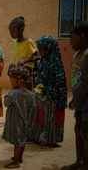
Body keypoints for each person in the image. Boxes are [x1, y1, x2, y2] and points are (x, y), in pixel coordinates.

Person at [27, 35, 67, 148]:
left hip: (52, 97)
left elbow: (59, 82)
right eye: (39, 49)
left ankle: (50, 140)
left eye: (42, 50)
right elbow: (41, 76)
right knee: (40, 116)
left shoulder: (56, 63)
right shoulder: (44, 61)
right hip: (41, 95)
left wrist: (46, 88)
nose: (40, 52)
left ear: (49, 49)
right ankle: (38, 137)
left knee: (50, 119)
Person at [62, 22, 88, 170]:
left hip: (87, 101)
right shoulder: (75, 57)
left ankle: (86, 164)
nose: (70, 41)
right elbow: (77, 80)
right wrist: (73, 98)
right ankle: (78, 161)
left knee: (85, 132)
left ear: (82, 37)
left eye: (72, 37)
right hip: (79, 101)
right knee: (78, 130)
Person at [2, 66, 36, 169]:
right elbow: (33, 105)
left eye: (11, 80)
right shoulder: (29, 94)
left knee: (17, 142)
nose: (11, 82)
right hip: (24, 120)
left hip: (15, 121)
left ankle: (16, 162)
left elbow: (6, 103)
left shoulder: (14, 93)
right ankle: (20, 158)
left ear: (17, 80)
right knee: (22, 139)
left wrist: (10, 92)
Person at [8, 16, 40, 90]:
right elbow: (17, 56)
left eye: (13, 31)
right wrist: (12, 64)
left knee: (25, 94)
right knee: (15, 94)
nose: (11, 34)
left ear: (21, 29)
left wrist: (25, 60)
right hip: (16, 74)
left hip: (26, 74)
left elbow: (38, 56)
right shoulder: (14, 42)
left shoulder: (28, 42)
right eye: (10, 31)